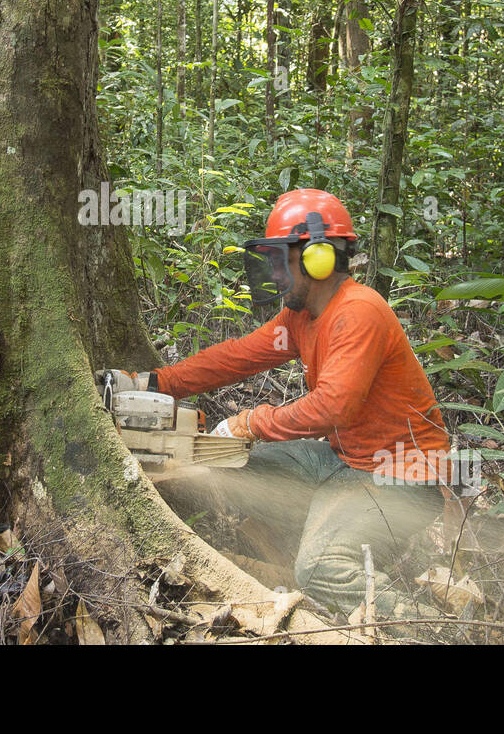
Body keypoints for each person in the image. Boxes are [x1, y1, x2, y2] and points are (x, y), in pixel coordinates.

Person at [97, 188, 453, 615]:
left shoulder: (358, 313)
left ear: (316, 257)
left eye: (281, 260)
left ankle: (428, 626)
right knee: (239, 465)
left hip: (401, 476)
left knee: (320, 569)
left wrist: (252, 421)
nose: (275, 274)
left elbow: (331, 407)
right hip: (346, 460)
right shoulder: (302, 317)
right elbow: (236, 357)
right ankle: (316, 544)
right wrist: (153, 382)